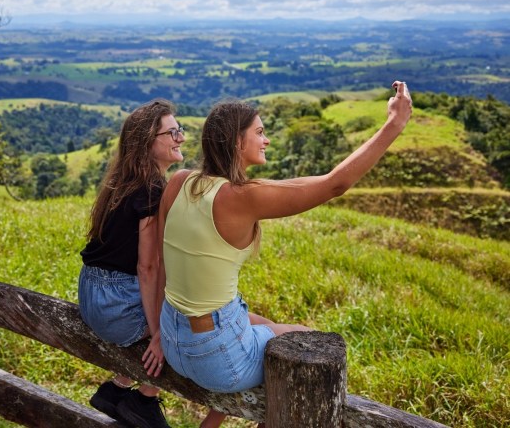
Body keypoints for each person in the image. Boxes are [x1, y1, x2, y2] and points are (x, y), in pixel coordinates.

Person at [148, 81, 413, 428]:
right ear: (236, 141)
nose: (266, 139)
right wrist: (393, 125)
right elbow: (334, 184)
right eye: (259, 132)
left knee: (272, 328)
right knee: (306, 348)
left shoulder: (180, 182)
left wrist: (160, 332)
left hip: (172, 335)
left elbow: (164, 265)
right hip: (214, 356)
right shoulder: (241, 197)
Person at [79, 99, 185, 428]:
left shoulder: (122, 183)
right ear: (147, 142)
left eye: (180, 130)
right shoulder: (153, 188)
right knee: (190, 322)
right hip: (116, 305)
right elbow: (148, 268)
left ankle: (117, 388)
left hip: (91, 295)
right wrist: (159, 333)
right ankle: (145, 399)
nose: (180, 137)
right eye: (172, 132)